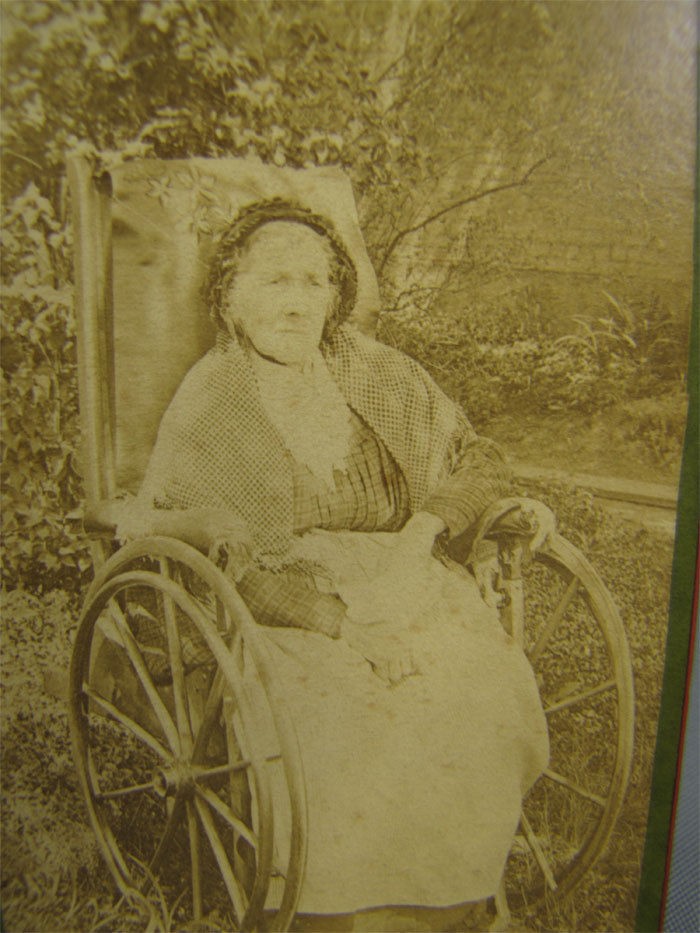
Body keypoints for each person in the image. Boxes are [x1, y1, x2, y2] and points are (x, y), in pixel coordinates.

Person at [121, 198, 550, 932]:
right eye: (274, 281)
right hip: (285, 598)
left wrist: (422, 532)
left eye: (313, 282)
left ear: (336, 297)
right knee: (343, 709)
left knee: (477, 681)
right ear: (230, 298)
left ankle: (454, 905)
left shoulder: (378, 370)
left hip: (407, 568)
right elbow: (228, 565)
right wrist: (348, 627)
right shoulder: (213, 398)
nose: (296, 302)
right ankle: (339, 915)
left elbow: (475, 456)